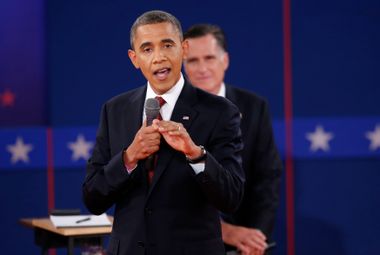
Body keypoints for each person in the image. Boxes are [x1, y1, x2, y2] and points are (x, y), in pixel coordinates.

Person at [82, 11, 245, 255]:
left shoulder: (219, 112)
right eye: (147, 49)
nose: (158, 57)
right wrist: (129, 158)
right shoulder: (115, 109)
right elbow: (93, 198)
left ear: (184, 48)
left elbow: (231, 197)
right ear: (134, 58)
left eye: (167, 45)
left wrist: (196, 154)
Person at [183, 24, 282, 255]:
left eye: (209, 58)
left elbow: (267, 178)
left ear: (225, 60)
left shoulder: (254, 106)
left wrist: (257, 239)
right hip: (188, 241)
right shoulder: (169, 113)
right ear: (183, 65)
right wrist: (225, 231)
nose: (202, 68)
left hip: (247, 242)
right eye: (193, 61)